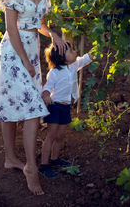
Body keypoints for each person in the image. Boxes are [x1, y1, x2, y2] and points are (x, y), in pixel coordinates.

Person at [0, 0, 67, 195]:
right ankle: (27, 167)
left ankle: (13, 159)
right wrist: (26, 63)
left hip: (32, 50)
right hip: (13, 53)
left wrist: (52, 34)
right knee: (30, 108)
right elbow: (12, 29)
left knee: (26, 105)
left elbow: (38, 25)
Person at [39, 42, 95, 178]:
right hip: (55, 107)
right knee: (51, 136)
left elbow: (88, 57)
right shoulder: (54, 72)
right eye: (70, 51)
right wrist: (46, 94)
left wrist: (100, 44)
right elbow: (47, 87)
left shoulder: (74, 66)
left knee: (60, 136)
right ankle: (44, 165)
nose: (75, 52)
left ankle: (55, 158)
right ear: (61, 57)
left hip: (65, 108)